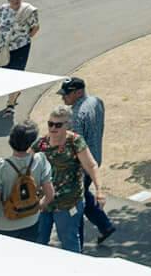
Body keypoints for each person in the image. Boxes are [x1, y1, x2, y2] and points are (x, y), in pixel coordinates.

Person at [35, 105, 105, 251]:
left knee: (69, 244)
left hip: (67, 205)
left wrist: (99, 190)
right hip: (44, 203)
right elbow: (25, 163)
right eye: (50, 124)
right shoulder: (42, 143)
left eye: (58, 125)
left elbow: (91, 166)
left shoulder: (75, 142)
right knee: (38, 242)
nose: (53, 128)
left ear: (67, 126)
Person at [61, 76, 116, 247]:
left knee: (76, 203)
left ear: (78, 92)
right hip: (96, 157)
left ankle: (78, 245)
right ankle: (105, 225)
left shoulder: (76, 115)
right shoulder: (97, 102)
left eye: (67, 94)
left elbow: (77, 145)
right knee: (84, 194)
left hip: (82, 165)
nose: (63, 98)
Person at [0, 121, 54, 239]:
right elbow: (50, 195)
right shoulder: (40, 161)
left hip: (3, 226)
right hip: (31, 223)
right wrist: (36, 208)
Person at [0, 0, 39, 113]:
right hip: (4, 47)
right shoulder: (2, 9)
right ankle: (16, 91)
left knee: (16, 74)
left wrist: (24, 38)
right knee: (5, 74)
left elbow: (35, 27)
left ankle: (10, 103)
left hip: (21, 47)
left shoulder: (28, 11)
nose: (16, 0)